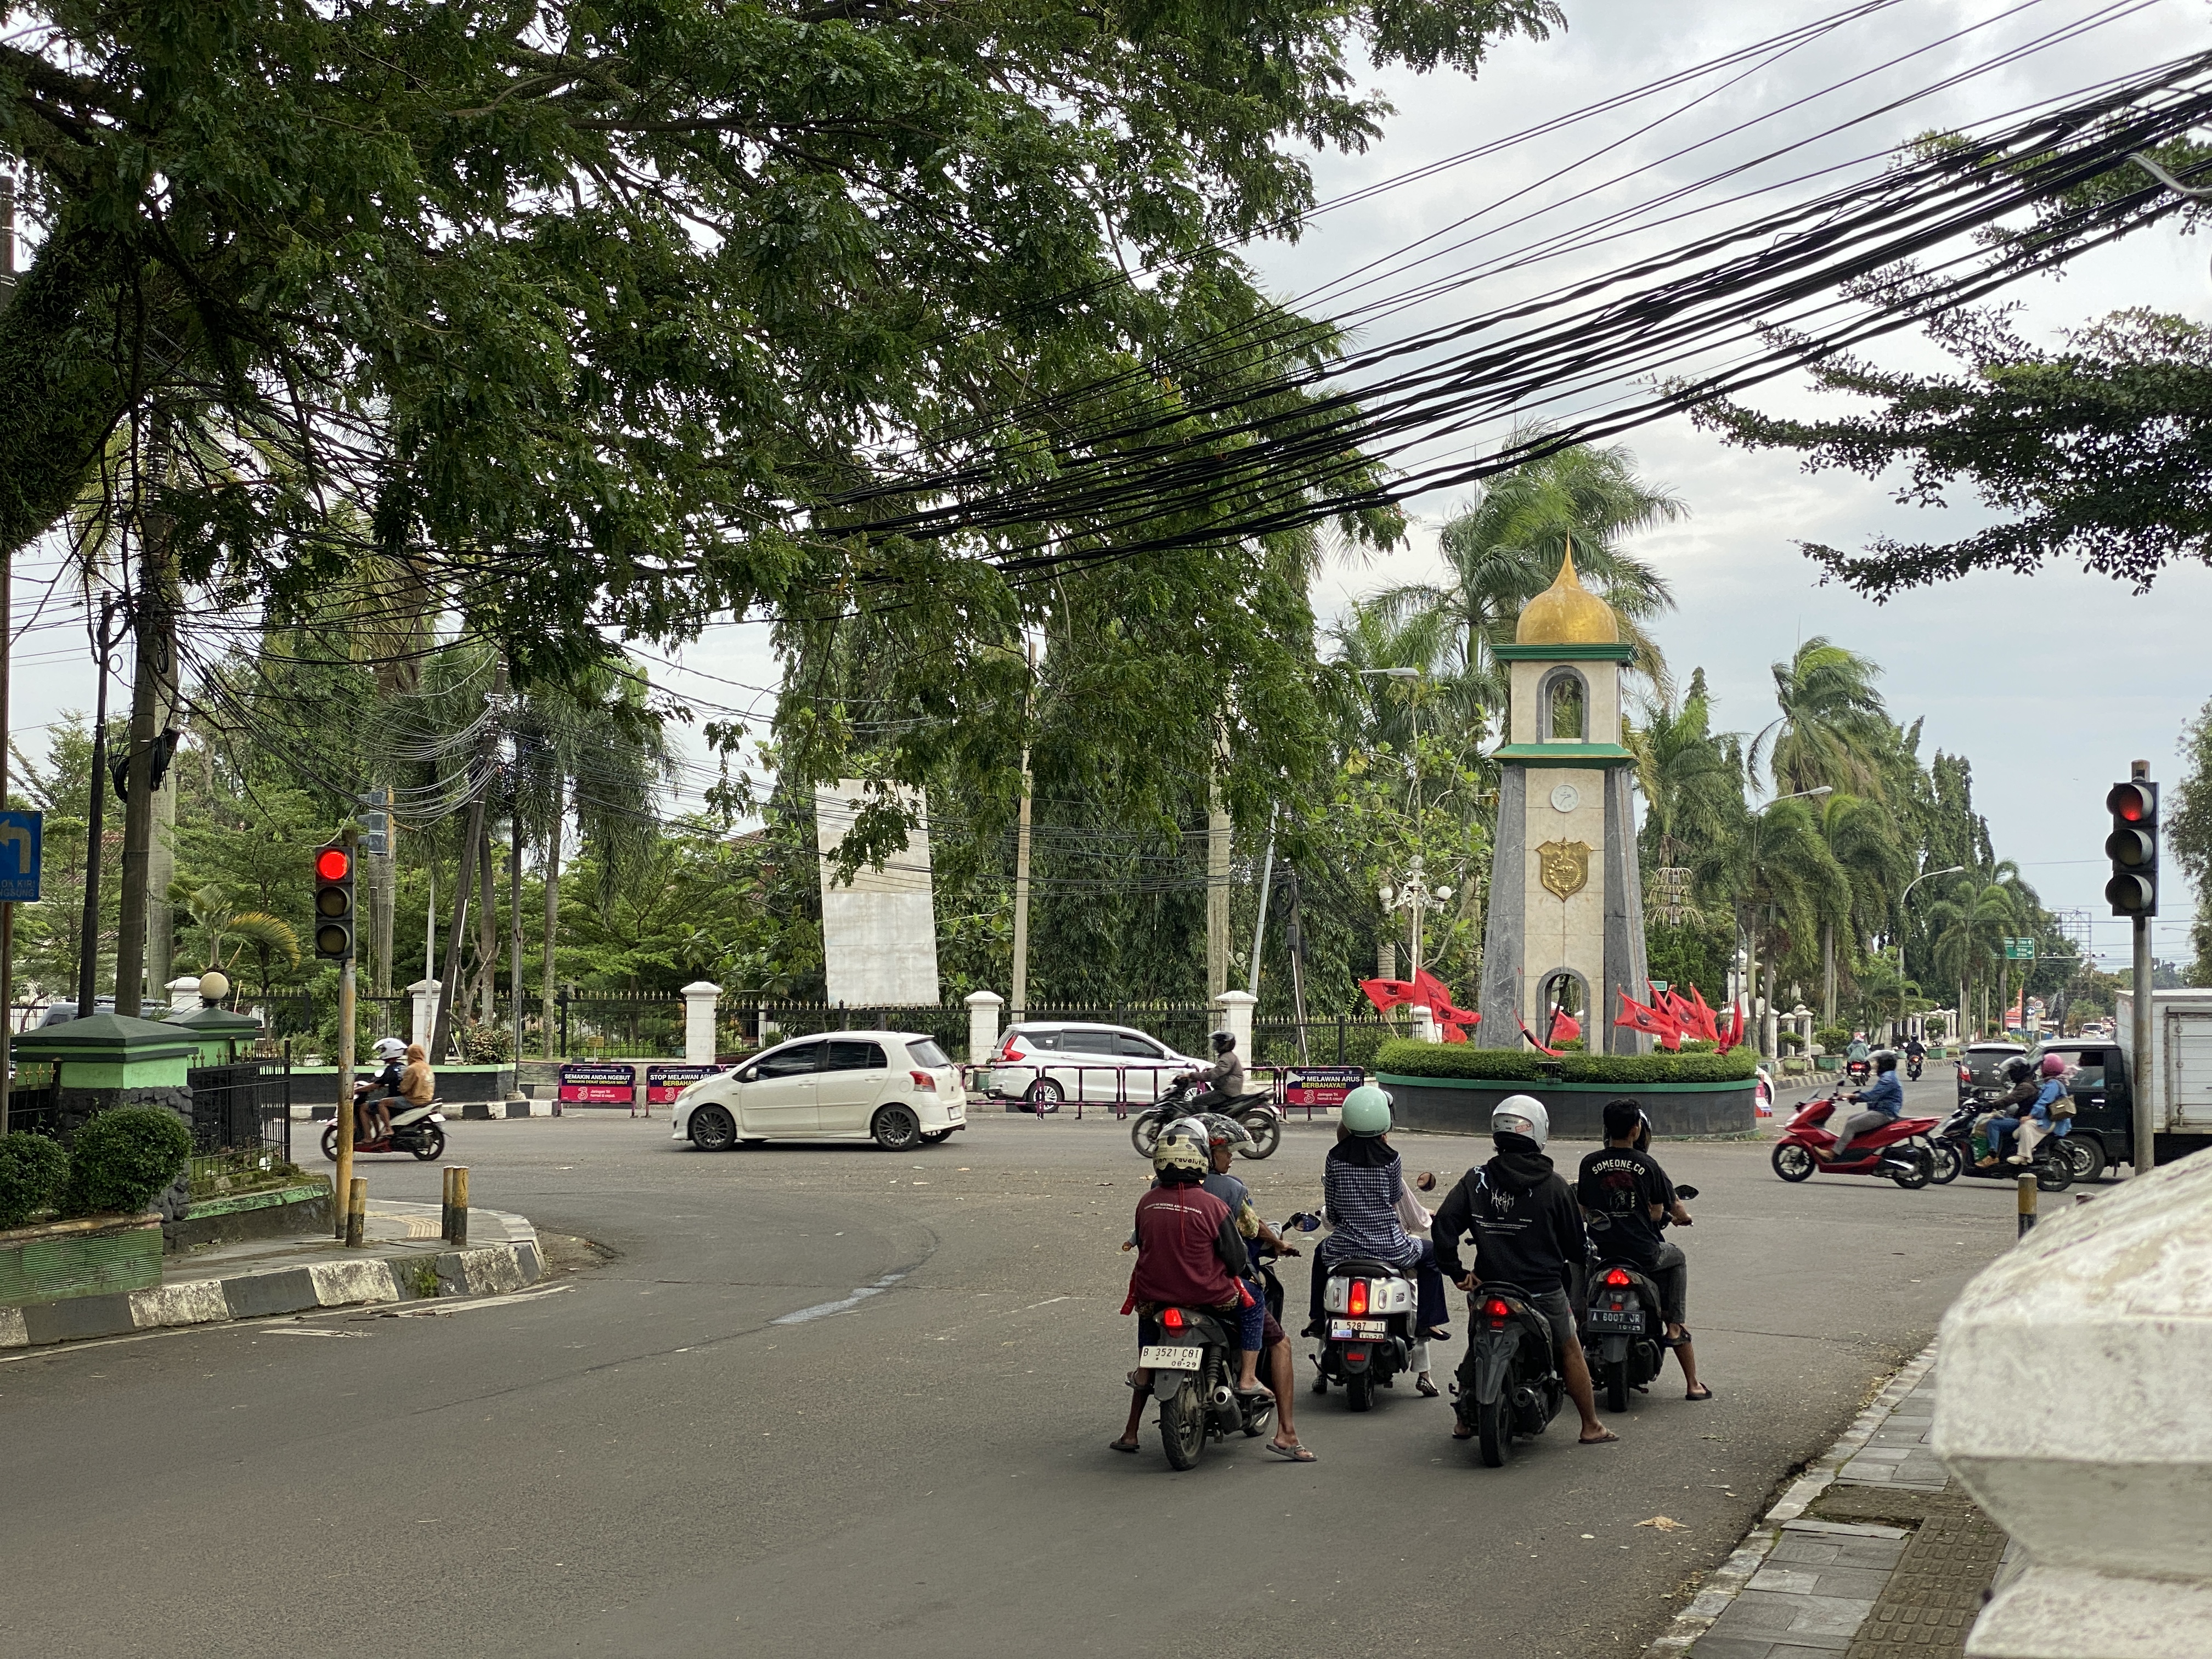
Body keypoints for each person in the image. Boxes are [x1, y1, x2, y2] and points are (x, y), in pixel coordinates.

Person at [1433, 1095, 1618, 1446]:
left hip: (1489, 1288)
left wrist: (1457, 1272)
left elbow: (1443, 1225)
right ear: (1539, 1132)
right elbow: (1575, 1246)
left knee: (1478, 1343)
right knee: (1569, 1348)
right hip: (1542, 1291)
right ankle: (1591, 1425)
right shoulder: (1555, 1186)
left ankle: (1463, 1421)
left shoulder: (1476, 1180)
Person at [1111, 1132, 1250, 1456]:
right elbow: (1236, 1260)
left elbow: (1144, 1245)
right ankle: (1248, 1378)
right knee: (1254, 1313)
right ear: (1201, 1162)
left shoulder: (1147, 1202)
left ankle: (1133, 1424)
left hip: (1155, 1299)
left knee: (1148, 1339)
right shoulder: (1214, 1206)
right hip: (1208, 1297)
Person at [1198, 1118, 1317, 1461]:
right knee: (1278, 1338)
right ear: (1208, 1153)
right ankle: (1286, 1431)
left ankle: (1131, 1427)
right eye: (1226, 1152)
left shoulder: (1158, 1192)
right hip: (1217, 1287)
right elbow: (1250, 1229)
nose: (1231, 1158)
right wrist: (1277, 1242)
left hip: (1164, 1290)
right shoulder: (1229, 1191)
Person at [1577, 1099, 1709, 1401]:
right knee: (1677, 1258)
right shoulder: (1648, 1165)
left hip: (1600, 1254)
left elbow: (1583, 1208)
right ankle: (1679, 1341)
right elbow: (1670, 1208)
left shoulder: (1589, 1162)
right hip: (1644, 1256)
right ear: (1637, 1129)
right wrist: (1683, 1218)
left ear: (1606, 1129)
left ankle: (1579, 1322)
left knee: (1576, 1287)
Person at [1304, 1086, 1450, 1353]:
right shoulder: (1392, 1159)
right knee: (1431, 1255)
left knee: (1318, 1254)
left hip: (1345, 1246)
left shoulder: (1334, 1159)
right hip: (1391, 1246)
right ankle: (1428, 1322)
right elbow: (1395, 1197)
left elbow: (1333, 1209)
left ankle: (1316, 1318)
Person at [1825, 1049, 1903, 1160]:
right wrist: (1853, 1096)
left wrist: (1852, 1096)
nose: (1875, 1065)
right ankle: (1855, 1150)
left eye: (1878, 1063)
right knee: (1851, 1119)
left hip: (1884, 1113)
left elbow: (1872, 1096)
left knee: (1851, 1125)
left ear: (1884, 1064)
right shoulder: (1889, 1076)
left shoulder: (1888, 1078)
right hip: (1883, 1110)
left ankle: (1833, 1154)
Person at [1999, 1054, 2074, 1165]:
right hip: (2050, 1120)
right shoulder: (2053, 1083)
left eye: (2043, 1067)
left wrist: (2030, 1116)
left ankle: (2023, 1156)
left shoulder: (2053, 1084)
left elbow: (2043, 1102)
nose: (2041, 1070)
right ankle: (2030, 1149)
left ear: (2048, 1069)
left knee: (2027, 1125)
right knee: (2016, 1133)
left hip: (2052, 1122)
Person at [1975, 1056, 2039, 1169]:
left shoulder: (2025, 1087)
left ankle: (1993, 1156)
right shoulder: (2025, 1084)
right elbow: (2008, 1098)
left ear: (2019, 1072)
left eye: (2012, 1072)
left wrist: (1991, 1105)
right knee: (2000, 1118)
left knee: (1993, 1124)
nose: (2010, 1075)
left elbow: (2009, 1100)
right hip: (2022, 1116)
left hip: (2023, 1120)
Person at [354, 1036, 408, 1143]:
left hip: (396, 1101)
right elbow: (384, 1083)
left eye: (384, 1050)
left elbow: (376, 1085)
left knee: (364, 1108)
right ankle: (378, 1135)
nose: (382, 1052)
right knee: (371, 1107)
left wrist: (358, 1090)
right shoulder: (403, 1067)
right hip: (402, 1098)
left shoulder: (391, 1069)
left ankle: (369, 1137)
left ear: (391, 1051)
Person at [1180, 1030, 1246, 1114]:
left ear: (1224, 1044)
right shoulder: (1228, 1056)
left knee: (1197, 1101)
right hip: (1225, 1090)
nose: (1215, 1044)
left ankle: (1206, 1122)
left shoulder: (1227, 1058)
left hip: (1226, 1092)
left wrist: (1191, 1075)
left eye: (1218, 1042)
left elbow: (1213, 1074)